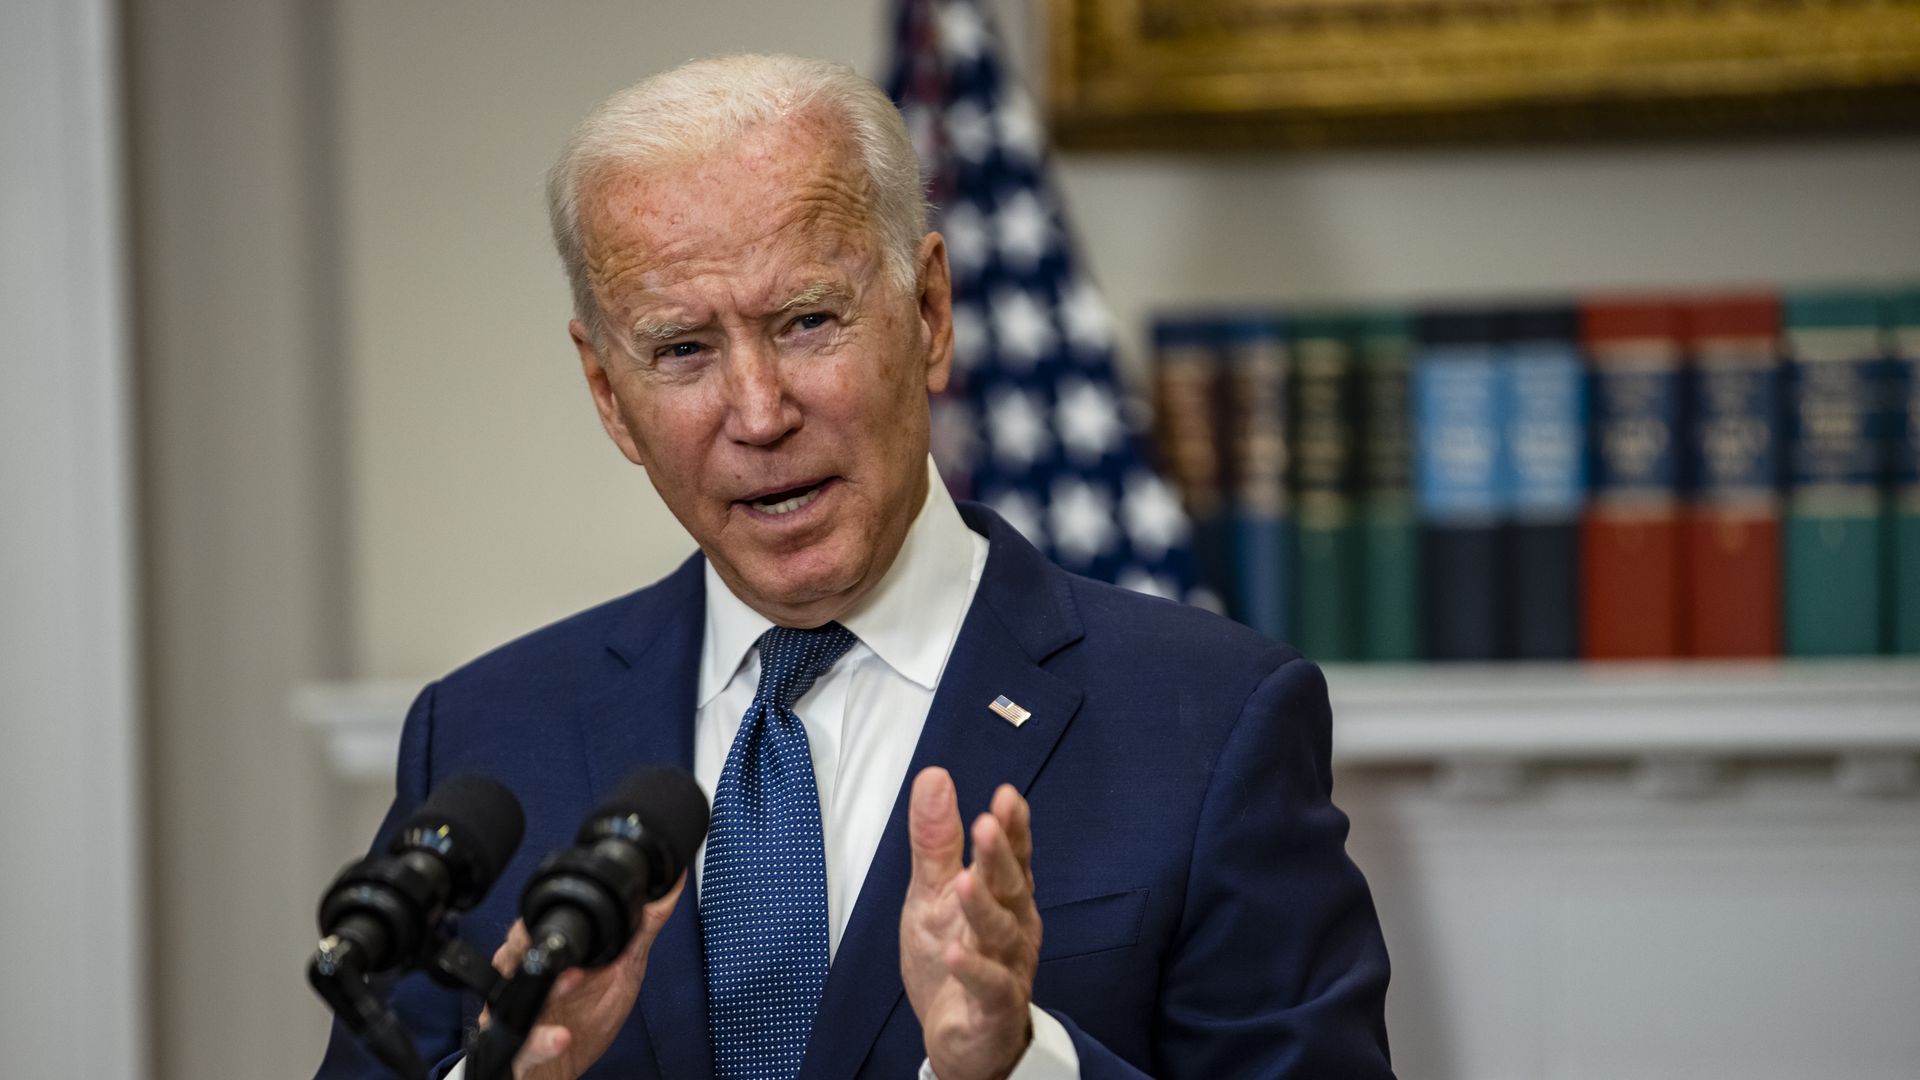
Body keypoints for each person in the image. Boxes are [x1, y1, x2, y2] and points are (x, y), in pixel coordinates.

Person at [316, 53, 1393, 1080]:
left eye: (806, 321)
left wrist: (1016, 1063)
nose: (759, 411)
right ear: (608, 394)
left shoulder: (1207, 722)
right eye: (683, 349)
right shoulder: (487, 736)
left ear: (928, 313)